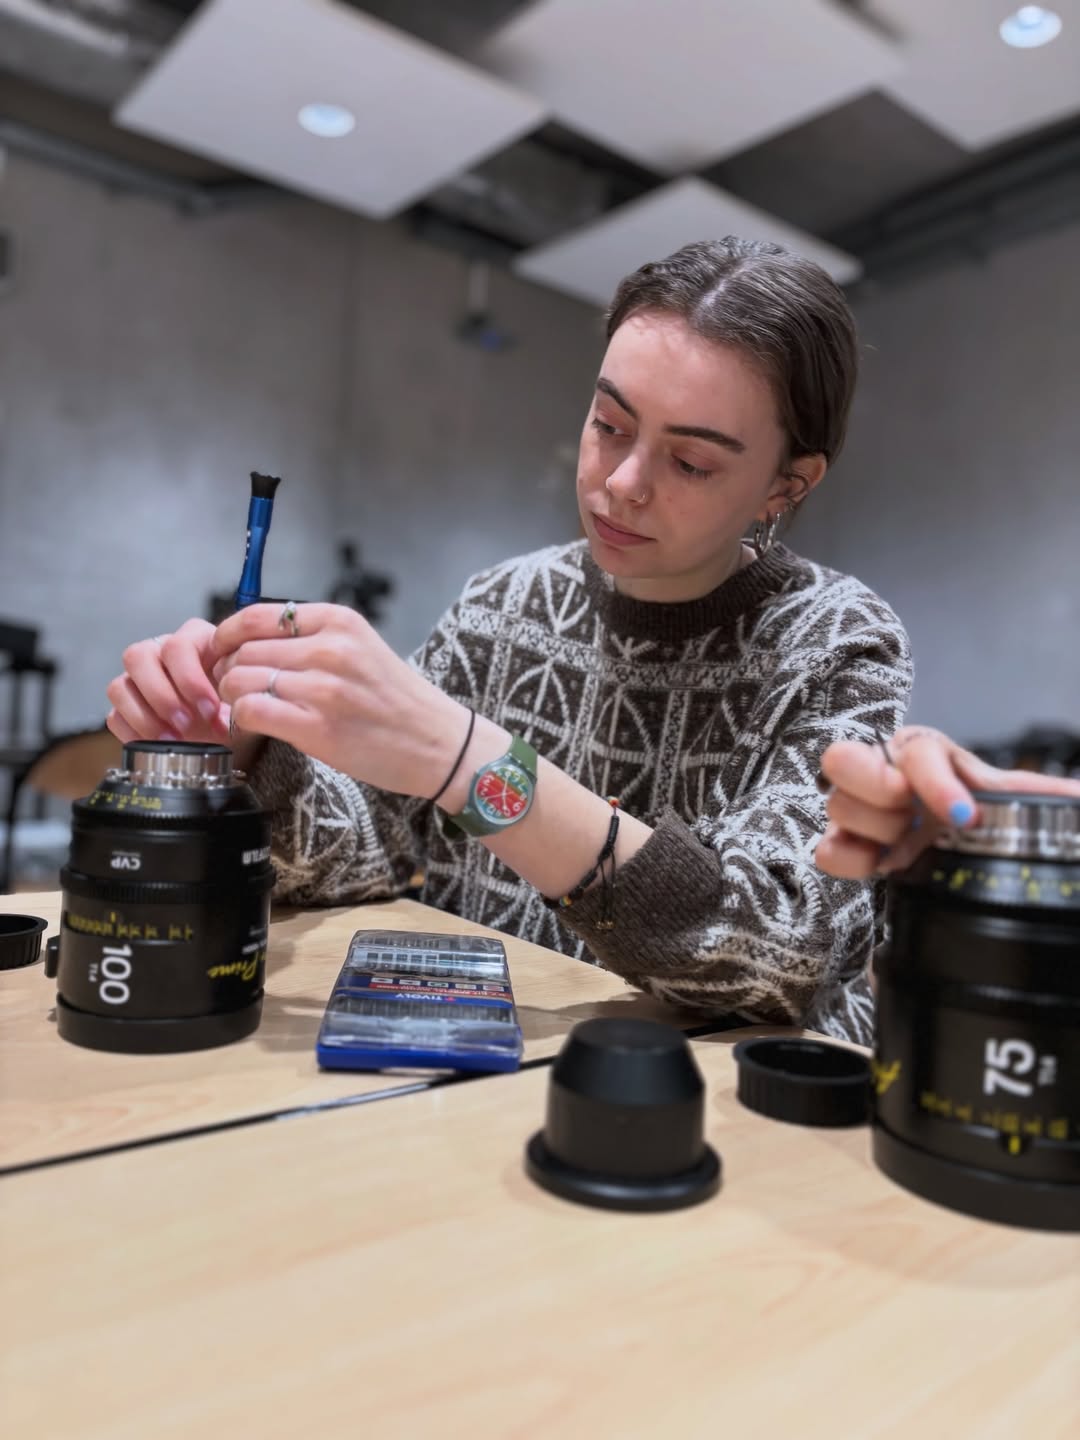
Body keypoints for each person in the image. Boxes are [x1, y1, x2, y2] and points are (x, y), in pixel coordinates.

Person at [105, 238, 1080, 1044]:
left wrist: (468, 761)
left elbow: (771, 956)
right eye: (610, 424)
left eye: (691, 462)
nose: (622, 484)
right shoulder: (502, 604)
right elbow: (359, 859)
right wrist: (237, 755)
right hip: (482, 1088)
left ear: (787, 484)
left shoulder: (833, 639)